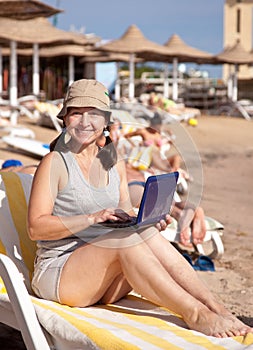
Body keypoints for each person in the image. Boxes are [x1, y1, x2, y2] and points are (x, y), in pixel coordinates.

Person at [27, 79, 252, 338]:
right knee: (125, 241)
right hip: (60, 274)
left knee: (146, 234)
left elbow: (123, 216)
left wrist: (144, 219)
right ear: (65, 118)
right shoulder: (54, 163)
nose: (85, 121)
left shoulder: (113, 162)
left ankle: (214, 306)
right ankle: (195, 314)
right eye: (77, 112)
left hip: (104, 278)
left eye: (94, 114)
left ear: (106, 121)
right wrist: (91, 218)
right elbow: (36, 227)